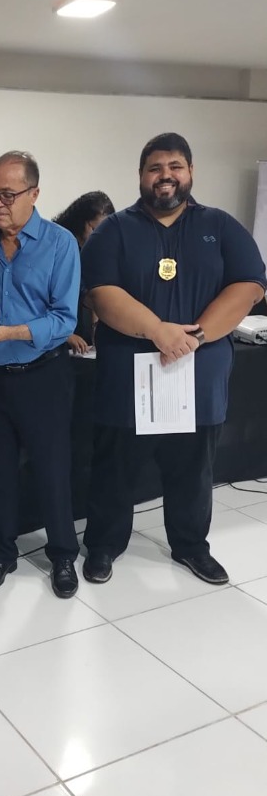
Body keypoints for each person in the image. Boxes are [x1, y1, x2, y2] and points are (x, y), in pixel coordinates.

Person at [81, 132, 267, 586]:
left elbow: (249, 285)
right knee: (114, 469)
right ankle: (104, 545)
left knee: (193, 470)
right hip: (128, 378)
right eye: (155, 168)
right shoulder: (114, 230)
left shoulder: (220, 226)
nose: (165, 175)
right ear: (141, 176)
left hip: (196, 375)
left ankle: (190, 546)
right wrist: (158, 331)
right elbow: (101, 293)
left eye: (175, 166)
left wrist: (196, 335)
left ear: (190, 172)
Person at [0, 151, 81, 598]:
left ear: (34, 194)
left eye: (8, 194)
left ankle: (63, 554)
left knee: (52, 469)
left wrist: (6, 331)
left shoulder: (61, 244)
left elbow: (64, 319)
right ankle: (2, 553)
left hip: (43, 375)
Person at [54, 190, 115, 353]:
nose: (98, 237)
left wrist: (96, 327)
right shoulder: (58, 242)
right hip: (54, 333)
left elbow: (97, 287)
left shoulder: (98, 247)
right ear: (81, 221)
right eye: (93, 229)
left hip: (81, 325)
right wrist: (66, 335)